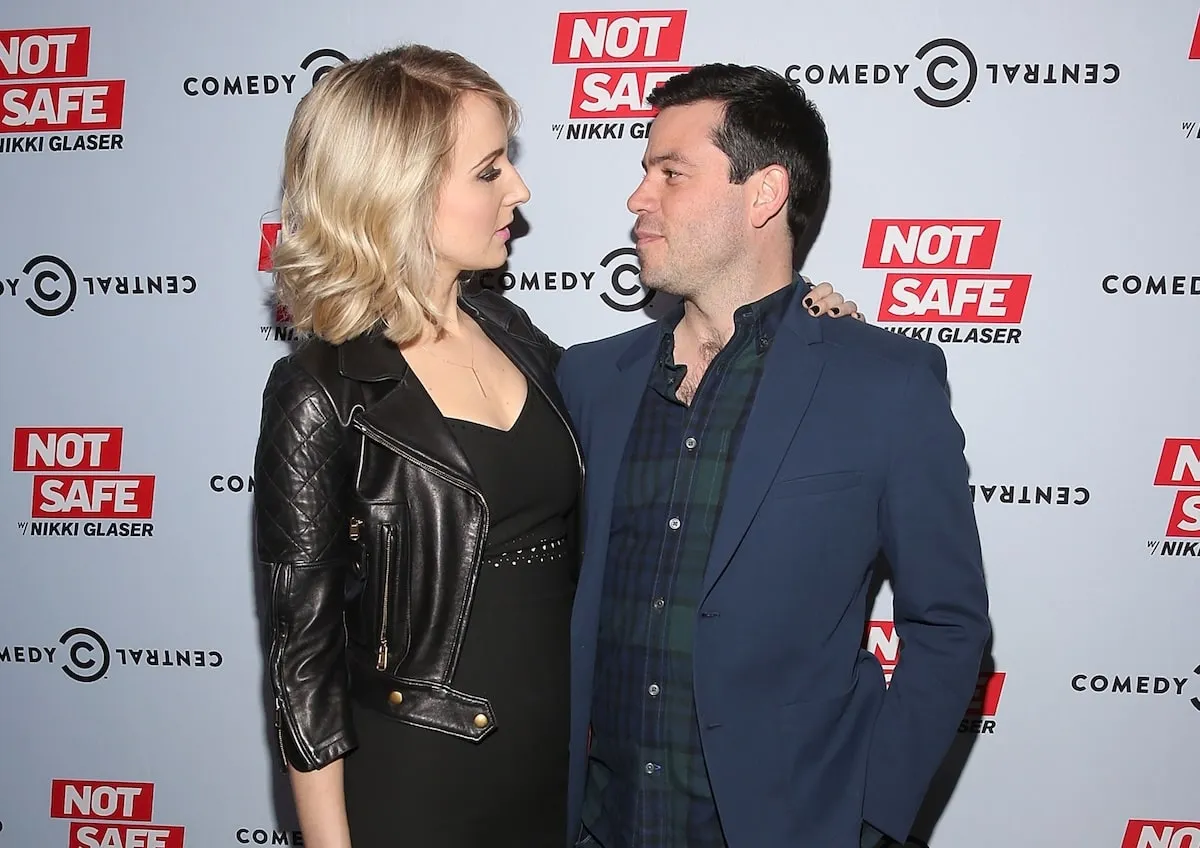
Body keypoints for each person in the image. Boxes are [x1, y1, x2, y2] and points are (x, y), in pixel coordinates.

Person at [252, 46, 857, 848]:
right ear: (400, 189)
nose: (520, 190)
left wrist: (792, 321)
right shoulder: (323, 391)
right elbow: (304, 661)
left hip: (559, 774)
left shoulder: (515, 336)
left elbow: (673, 380)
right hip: (420, 781)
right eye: (488, 170)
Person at [559, 64, 992, 848]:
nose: (637, 198)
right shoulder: (588, 380)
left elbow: (949, 625)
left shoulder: (883, 384)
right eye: (642, 170)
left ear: (763, 195)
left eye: (671, 173)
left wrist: (872, 816)